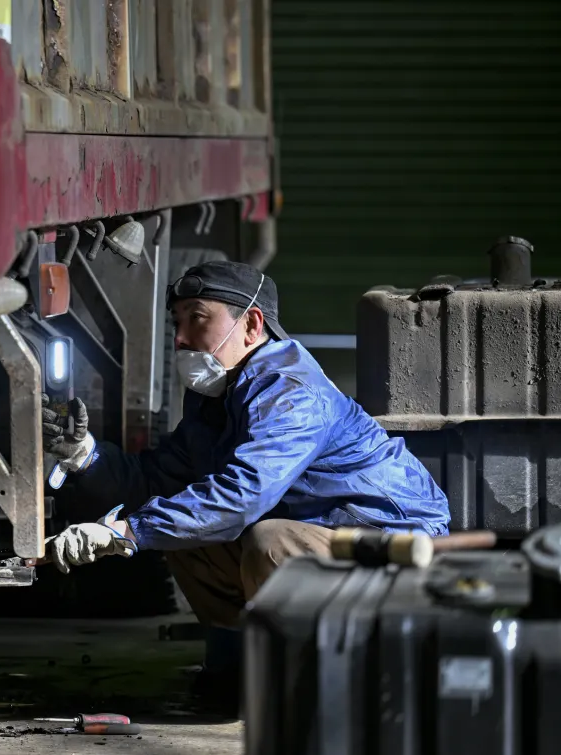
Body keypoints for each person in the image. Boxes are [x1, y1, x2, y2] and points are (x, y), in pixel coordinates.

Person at [40, 260, 450, 714]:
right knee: (188, 533)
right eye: (178, 322)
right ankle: (237, 672)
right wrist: (85, 457)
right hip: (326, 533)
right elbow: (157, 477)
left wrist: (126, 533)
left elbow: (242, 496)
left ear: (252, 325)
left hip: (395, 550)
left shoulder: (290, 392)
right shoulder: (217, 397)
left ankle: (334, 689)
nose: (179, 338)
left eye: (197, 318)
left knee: (269, 543)